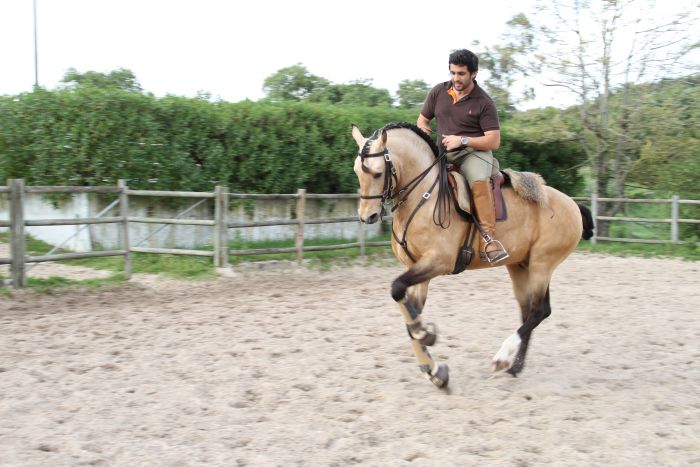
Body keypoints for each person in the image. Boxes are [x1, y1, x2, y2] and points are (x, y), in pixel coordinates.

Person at [417, 48, 509, 264]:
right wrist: (422, 128)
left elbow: (494, 140)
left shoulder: (484, 102)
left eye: (461, 74)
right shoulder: (439, 92)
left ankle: (489, 239)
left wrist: (463, 140)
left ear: (474, 73)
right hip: (442, 153)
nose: (455, 79)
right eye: (453, 73)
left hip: (474, 153)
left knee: (477, 182)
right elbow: (423, 119)